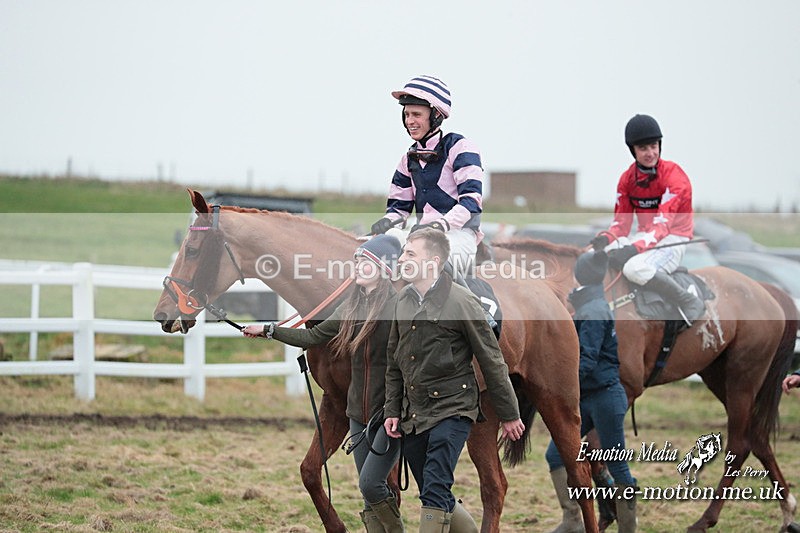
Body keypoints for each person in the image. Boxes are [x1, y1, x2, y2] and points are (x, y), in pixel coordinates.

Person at [242, 235, 405, 533]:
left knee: (372, 483)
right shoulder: (351, 307)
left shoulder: (397, 310)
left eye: (365, 263)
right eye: (357, 261)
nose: (357, 267)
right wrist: (266, 330)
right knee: (368, 492)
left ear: (383, 270)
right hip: (357, 416)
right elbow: (312, 338)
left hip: (386, 415)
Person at [383, 227, 525, 533]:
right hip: (414, 413)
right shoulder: (402, 301)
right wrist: (392, 410)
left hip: (454, 409)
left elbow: (492, 360)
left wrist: (510, 413)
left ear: (432, 262)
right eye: (403, 252)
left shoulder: (462, 301)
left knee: (434, 490)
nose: (402, 259)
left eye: (410, 254)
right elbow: (394, 363)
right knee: (432, 492)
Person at [544, 250, 638, 533]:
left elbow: (586, 360)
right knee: (556, 455)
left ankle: (628, 529)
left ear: (580, 275)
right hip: (589, 397)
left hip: (605, 398)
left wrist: (554, 386)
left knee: (617, 465)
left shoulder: (595, 310)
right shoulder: (588, 304)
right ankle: (572, 520)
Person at [590, 114, 705, 326]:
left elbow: (662, 226)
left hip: (673, 239)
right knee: (591, 257)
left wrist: (634, 249)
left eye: (654, 146)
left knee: (634, 268)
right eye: (643, 148)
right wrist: (605, 240)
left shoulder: (675, 177)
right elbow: (620, 225)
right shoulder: (626, 179)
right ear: (633, 150)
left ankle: (688, 300)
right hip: (645, 236)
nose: (650, 153)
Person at [370, 75, 485, 277]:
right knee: (374, 248)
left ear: (436, 115)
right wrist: (388, 221)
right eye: (406, 114)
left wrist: (441, 224)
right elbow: (399, 209)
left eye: (416, 114)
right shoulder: (407, 159)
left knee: (426, 260)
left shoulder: (461, 148)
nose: (409, 121)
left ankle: (470, 306)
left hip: (458, 237)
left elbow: (471, 202)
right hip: (420, 237)